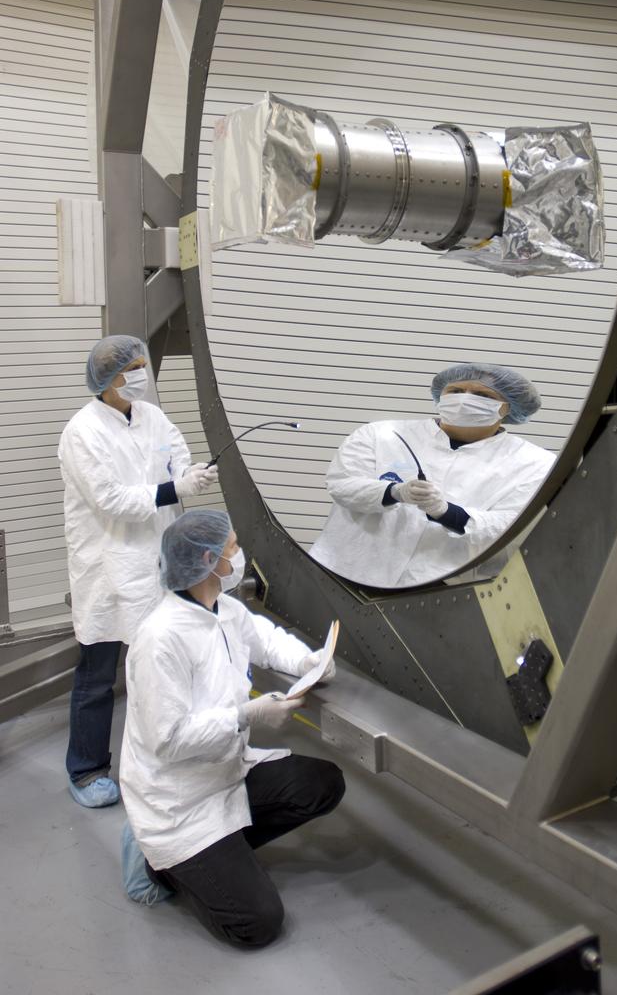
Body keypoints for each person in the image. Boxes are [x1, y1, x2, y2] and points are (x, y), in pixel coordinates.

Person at [119, 508, 345, 949]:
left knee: (323, 784)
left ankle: (221, 854)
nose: (239, 555)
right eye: (233, 549)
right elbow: (169, 740)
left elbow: (265, 640)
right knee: (258, 923)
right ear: (207, 561)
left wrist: (308, 661)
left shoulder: (224, 609)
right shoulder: (159, 639)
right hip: (178, 801)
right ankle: (159, 864)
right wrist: (247, 716)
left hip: (226, 771)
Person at [58, 334, 218, 808]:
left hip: (156, 559)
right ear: (106, 379)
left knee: (159, 665)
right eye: (132, 369)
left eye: (144, 367)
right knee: (98, 672)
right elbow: (110, 500)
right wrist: (172, 489)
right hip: (108, 564)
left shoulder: (152, 416)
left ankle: (164, 759)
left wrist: (190, 475)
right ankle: (85, 770)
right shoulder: (82, 432)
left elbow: (177, 455)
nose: (140, 377)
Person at [310, 362, 554, 589]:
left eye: (483, 396)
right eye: (456, 390)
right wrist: (393, 492)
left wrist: (448, 513)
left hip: (438, 590)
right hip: (343, 571)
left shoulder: (535, 463)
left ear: (508, 408)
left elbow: (513, 526)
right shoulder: (381, 434)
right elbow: (342, 485)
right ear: (440, 396)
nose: (464, 400)